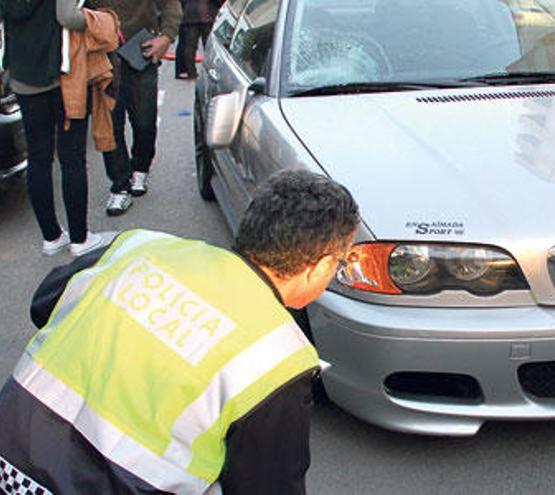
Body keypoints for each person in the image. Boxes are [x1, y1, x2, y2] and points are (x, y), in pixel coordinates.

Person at [0, 170, 360, 494]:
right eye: (341, 263)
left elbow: (43, 303)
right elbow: (269, 483)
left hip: (10, 455)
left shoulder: (140, 246)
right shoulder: (280, 355)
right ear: (320, 265)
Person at [0, 0, 113, 255]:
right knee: (71, 157)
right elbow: (67, 17)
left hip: (23, 78)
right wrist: (96, 19)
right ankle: (79, 239)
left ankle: (51, 237)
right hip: (63, 76)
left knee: (39, 158)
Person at [86, 0, 182, 216]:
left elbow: (171, 5)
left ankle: (140, 166)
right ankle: (119, 184)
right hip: (102, 51)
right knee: (110, 122)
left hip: (141, 49)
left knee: (144, 119)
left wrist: (166, 38)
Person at [175, 0, 222, 79]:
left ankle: (190, 72)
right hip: (207, 13)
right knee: (209, 46)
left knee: (189, 46)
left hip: (189, 14)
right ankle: (213, 70)